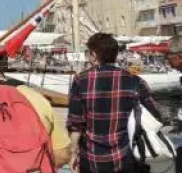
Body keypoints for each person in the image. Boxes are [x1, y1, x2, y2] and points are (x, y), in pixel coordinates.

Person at [67, 33, 161, 173]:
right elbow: (155, 113)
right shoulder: (135, 81)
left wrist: (73, 153)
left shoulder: (80, 81)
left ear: (94, 54)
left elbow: (76, 125)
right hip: (125, 156)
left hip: (92, 159)